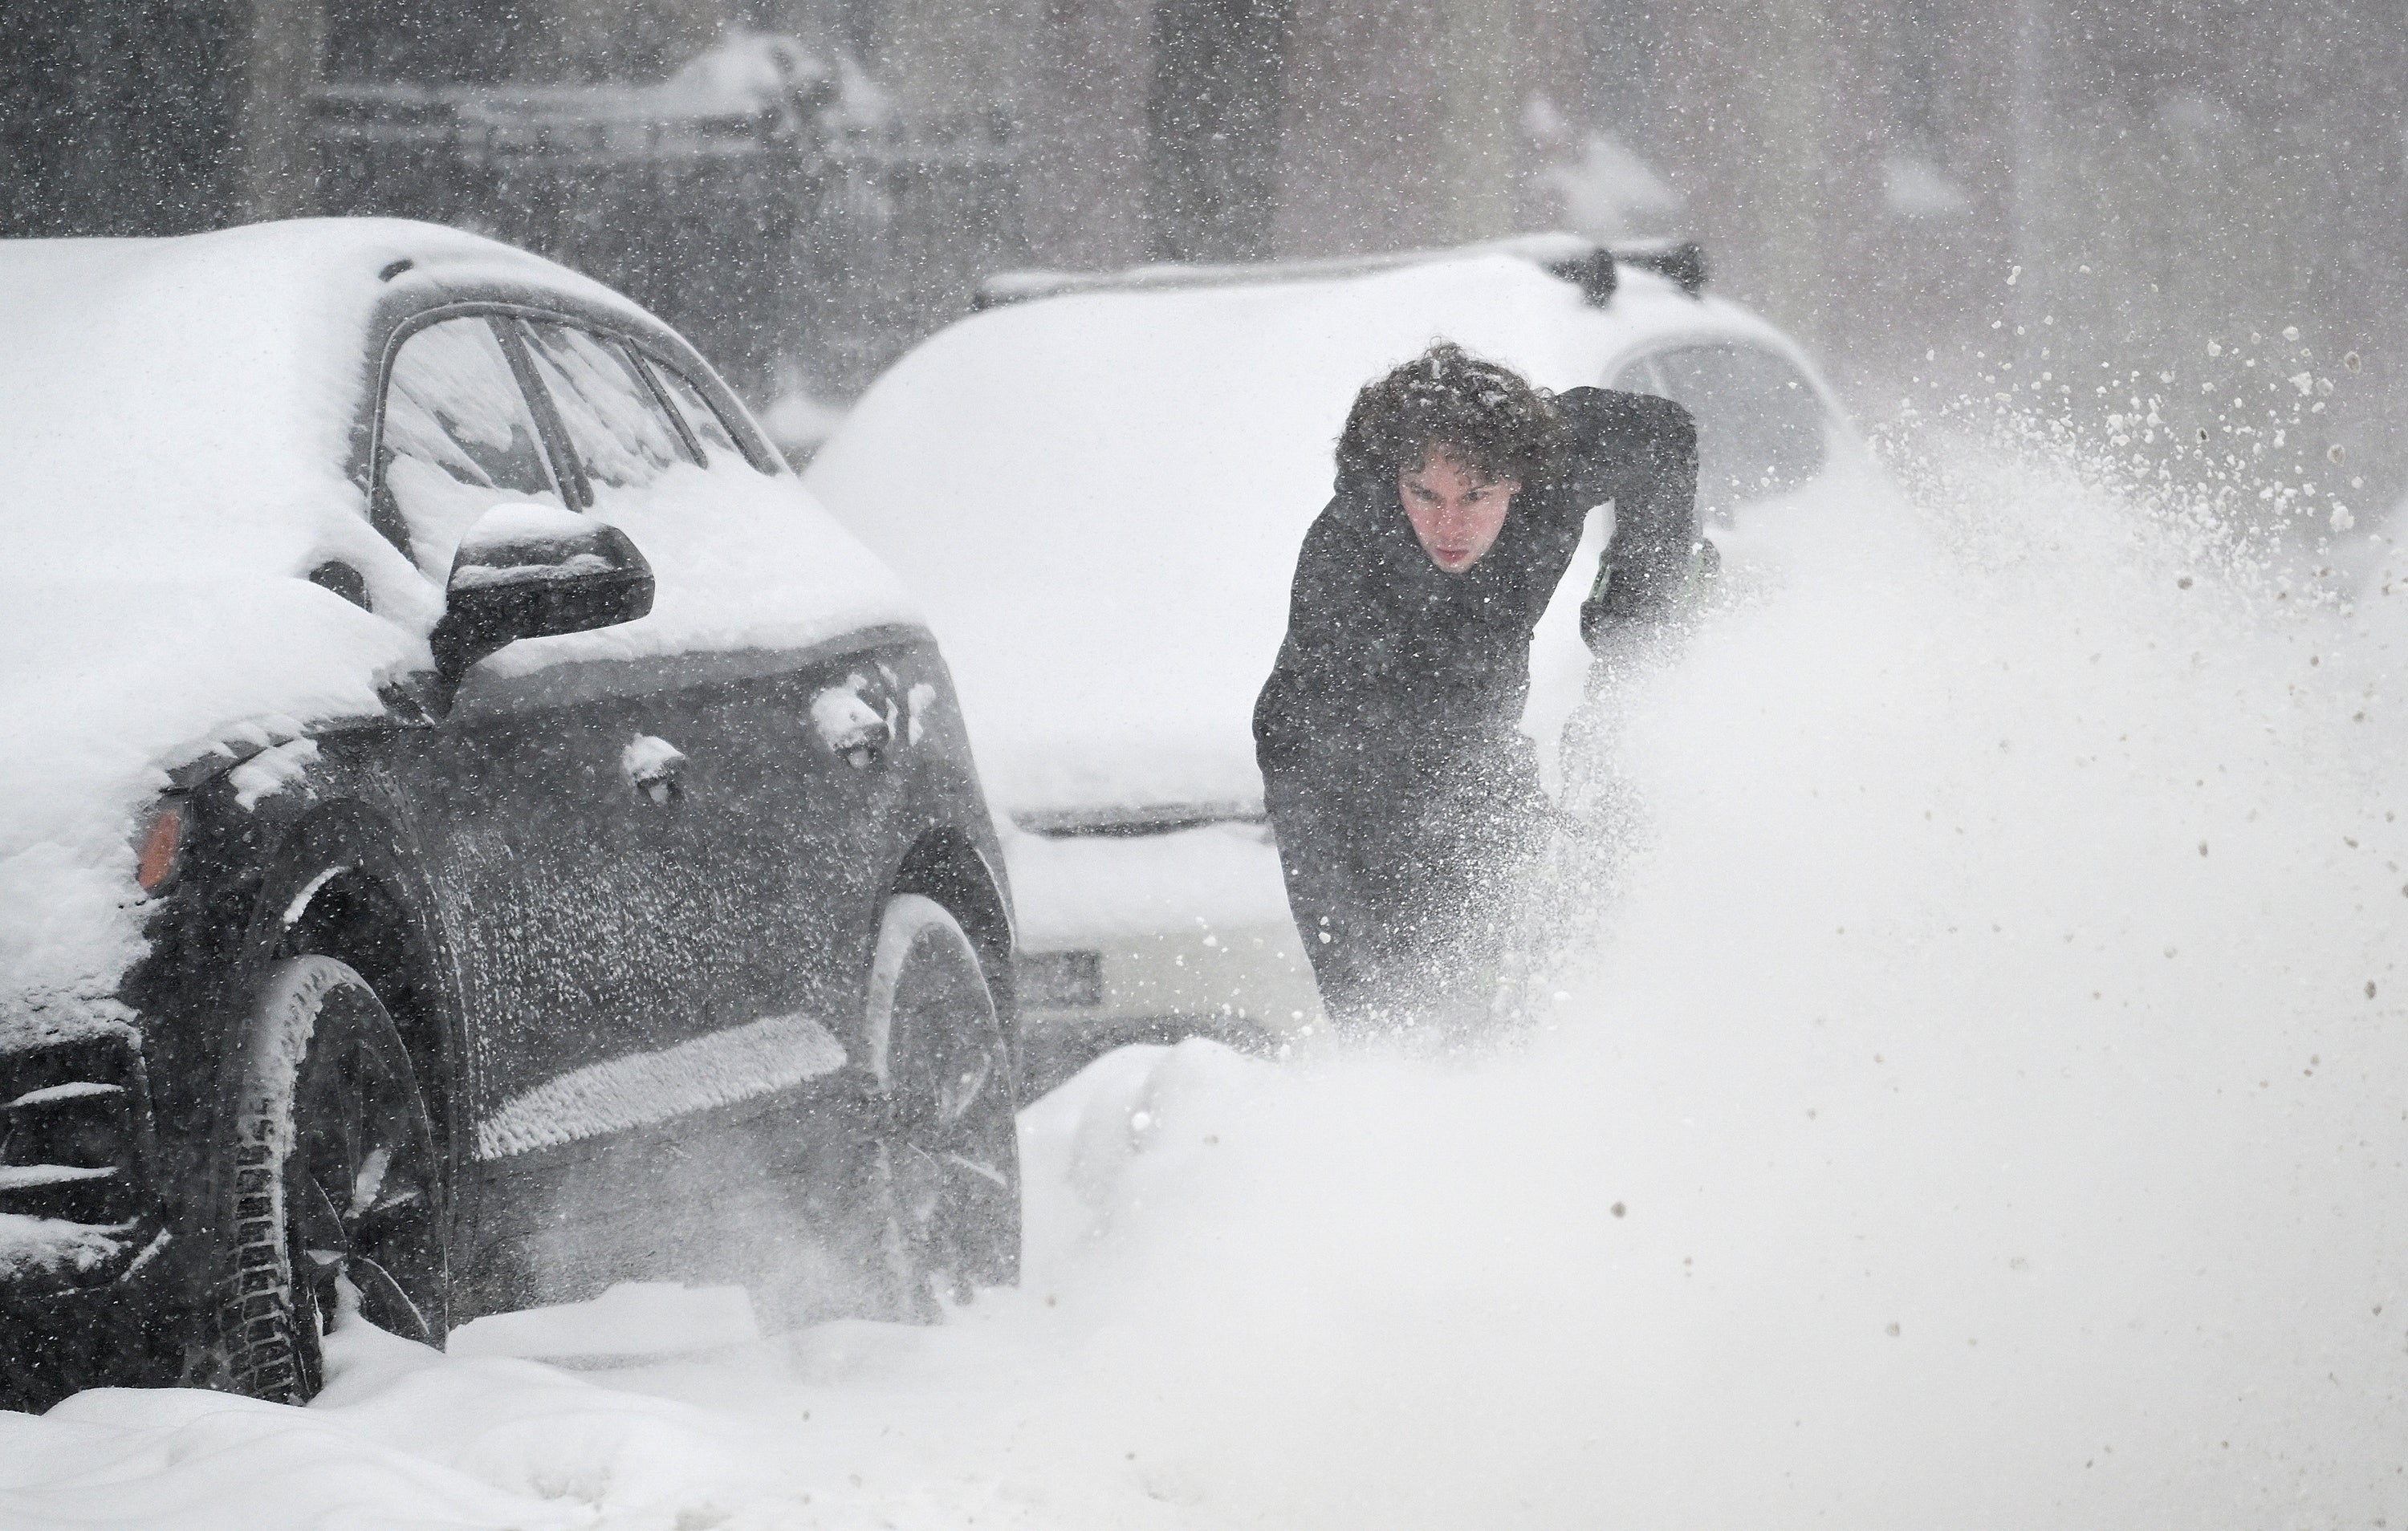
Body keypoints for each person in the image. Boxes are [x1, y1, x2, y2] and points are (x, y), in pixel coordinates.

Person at [1252, 341, 1699, 1034]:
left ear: (1518, 480)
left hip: (1487, 761)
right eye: (1424, 494)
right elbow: (1303, 774)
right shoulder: (1347, 563)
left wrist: (1635, 623)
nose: (1449, 526)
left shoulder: (1555, 466)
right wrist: (1362, 997)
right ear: (1392, 480)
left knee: (1566, 977)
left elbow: (1665, 436)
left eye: (1476, 496)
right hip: (1359, 793)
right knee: (1415, 1021)